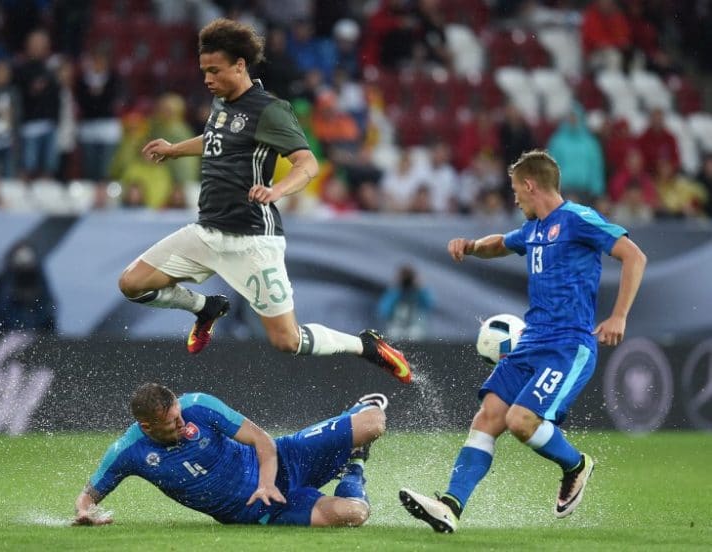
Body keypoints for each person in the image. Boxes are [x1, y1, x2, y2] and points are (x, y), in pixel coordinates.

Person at [124, 19, 412, 384]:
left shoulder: (270, 110)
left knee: (286, 340)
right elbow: (216, 136)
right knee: (132, 284)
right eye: (204, 71)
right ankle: (206, 308)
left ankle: (367, 346)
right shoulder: (222, 103)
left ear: (240, 65)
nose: (207, 79)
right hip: (207, 231)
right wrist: (175, 150)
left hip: (252, 240)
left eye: (215, 70)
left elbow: (307, 164)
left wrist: (276, 191)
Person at [399, 150, 646, 532]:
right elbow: (501, 243)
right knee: (487, 417)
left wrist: (619, 316)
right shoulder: (533, 229)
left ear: (530, 185)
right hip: (530, 342)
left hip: (569, 345)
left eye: (516, 190)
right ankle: (450, 504)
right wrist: (470, 245)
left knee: (520, 420)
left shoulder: (578, 220)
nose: (514, 198)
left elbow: (634, 257)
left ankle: (576, 464)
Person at [73, 383, 387, 527]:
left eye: (179, 414)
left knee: (373, 421)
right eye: (172, 422)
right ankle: (355, 465)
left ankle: (352, 427)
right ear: (147, 426)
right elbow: (89, 494)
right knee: (355, 515)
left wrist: (266, 483)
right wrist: (85, 512)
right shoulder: (128, 452)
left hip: (286, 458)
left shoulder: (198, 405)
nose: (183, 423)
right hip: (265, 512)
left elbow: (262, 439)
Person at [0, 240, 57, 332]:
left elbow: (47, 306)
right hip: (7, 331)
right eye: (21, 258)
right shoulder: (3, 281)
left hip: (38, 331)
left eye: (27, 257)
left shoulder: (39, 279)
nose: (24, 262)